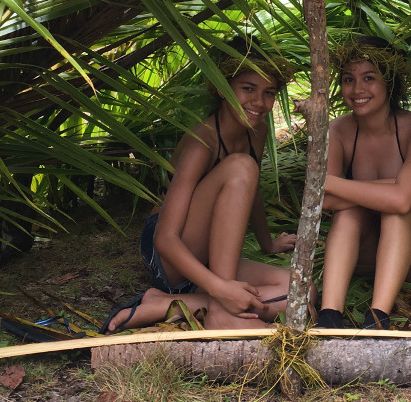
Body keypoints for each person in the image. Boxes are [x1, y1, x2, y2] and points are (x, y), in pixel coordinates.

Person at [102, 43, 302, 333]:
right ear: (221, 87)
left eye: (268, 92)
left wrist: (267, 243)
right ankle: (220, 309)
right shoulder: (201, 142)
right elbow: (165, 239)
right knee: (241, 167)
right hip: (171, 254)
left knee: (300, 291)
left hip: (209, 261)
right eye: (248, 88)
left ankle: (165, 304)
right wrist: (220, 287)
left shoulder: (256, 130)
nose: (258, 102)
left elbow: (251, 189)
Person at [316, 37, 411, 331]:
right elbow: (324, 201)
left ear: (389, 81)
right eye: (348, 79)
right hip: (365, 254)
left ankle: (378, 320)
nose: (357, 90)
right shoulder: (338, 130)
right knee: (348, 214)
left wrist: (330, 183)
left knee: (396, 211)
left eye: (369, 78)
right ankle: (329, 317)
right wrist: (396, 183)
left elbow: (402, 202)